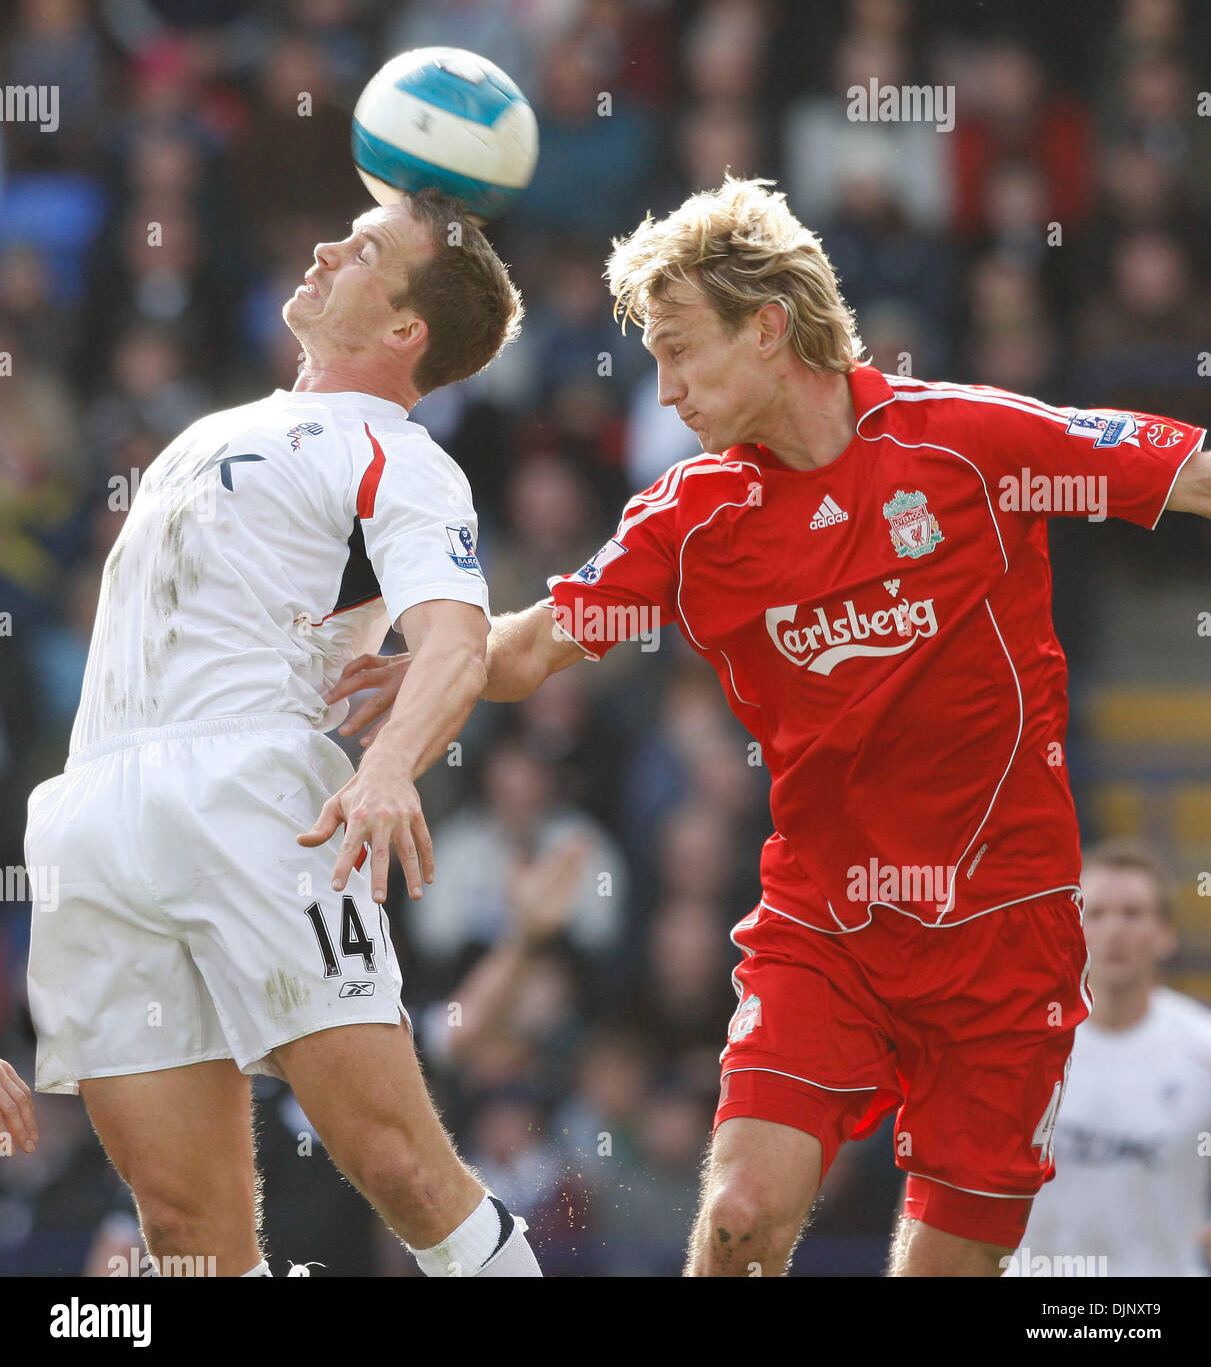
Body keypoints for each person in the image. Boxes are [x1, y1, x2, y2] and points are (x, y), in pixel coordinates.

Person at [328, 175, 1211, 1277]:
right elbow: (529, 648)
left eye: (681, 350)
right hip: (824, 930)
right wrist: (427, 665)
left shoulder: (966, 445)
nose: (667, 388)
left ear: (768, 325)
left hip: (1003, 933)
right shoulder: (694, 520)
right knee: (739, 1217)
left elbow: (1186, 471)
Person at [23, 188, 543, 1278]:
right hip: (94, 808)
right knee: (183, 1237)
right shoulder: (212, 424)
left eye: (361, 251)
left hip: (255, 797)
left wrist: (390, 767)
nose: (321, 247)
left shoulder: (402, 457)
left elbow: (453, 642)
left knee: (402, 1170)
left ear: (407, 330)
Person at [1015, 841, 1211, 1277]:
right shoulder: (1020, 1047)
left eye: (1133, 913)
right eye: (1097, 913)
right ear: (1072, 928)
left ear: (1165, 934)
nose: (1114, 931)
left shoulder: (1202, 1050)